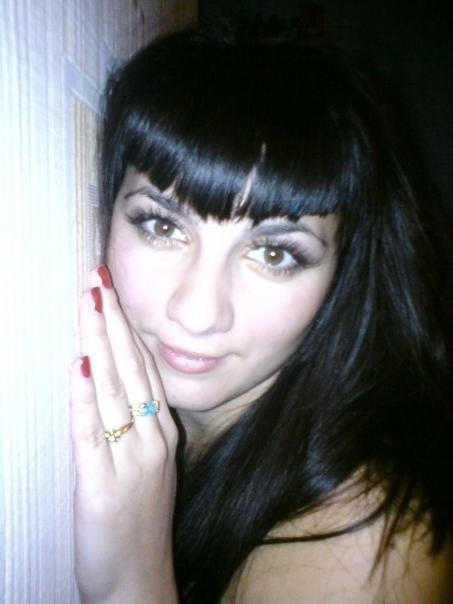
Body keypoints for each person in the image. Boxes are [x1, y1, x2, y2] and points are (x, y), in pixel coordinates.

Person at [70, 29, 453, 603]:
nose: (198, 312)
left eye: (274, 255)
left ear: (343, 272)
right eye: (163, 225)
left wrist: (130, 582)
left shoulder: (367, 544)